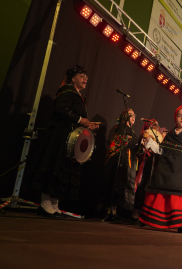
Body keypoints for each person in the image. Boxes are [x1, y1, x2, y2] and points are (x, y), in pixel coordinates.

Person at [29, 66, 98, 217]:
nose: (85, 79)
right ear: (73, 78)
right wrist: (81, 119)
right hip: (60, 134)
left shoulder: (78, 95)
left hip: (70, 137)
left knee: (63, 168)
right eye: (82, 76)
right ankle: (45, 202)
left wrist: (87, 123)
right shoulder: (66, 90)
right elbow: (60, 108)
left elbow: (74, 114)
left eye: (86, 76)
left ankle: (54, 203)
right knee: (55, 164)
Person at [138, 105, 182, 231]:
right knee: (162, 194)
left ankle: (181, 224)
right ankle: (152, 220)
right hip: (166, 167)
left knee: (179, 197)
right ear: (175, 118)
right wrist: (150, 141)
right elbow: (161, 150)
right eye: (179, 115)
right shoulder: (170, 134)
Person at [103, 109, 138, 220]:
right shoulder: (122, 128)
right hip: (118, 159)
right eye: (131, 115)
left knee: (121, 185)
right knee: (116, 183)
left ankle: (115, 210)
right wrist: (138, 140)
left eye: (134, 116)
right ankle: (110, 210)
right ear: (125, 116)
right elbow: (122, 142)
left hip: (125, 160)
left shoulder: (130, 130)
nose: (133, 117)